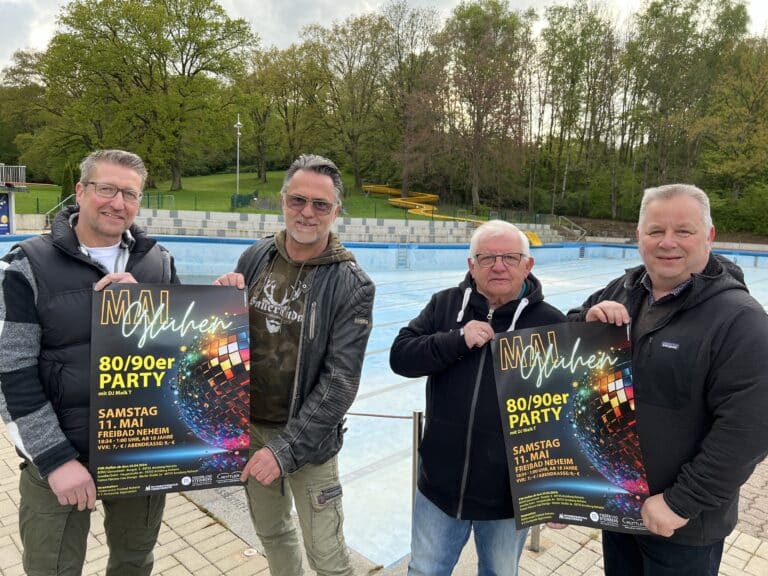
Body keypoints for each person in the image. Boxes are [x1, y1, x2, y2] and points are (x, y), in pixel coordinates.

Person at [567, 184, 768, 576]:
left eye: (683, 231)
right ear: (639, 236)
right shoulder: (622, 291)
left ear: (708, 235)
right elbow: (567, 337)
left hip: (682, 526)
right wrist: (586, 323)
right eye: (656, 231)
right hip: (619, 509)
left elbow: (750, 429)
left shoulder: (741, 320)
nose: (667, 242)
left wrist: (680, 502)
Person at [0, 149, 178, 575]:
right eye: (106, 189)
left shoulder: (159, 262)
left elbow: (179, 357)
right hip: (60, 458)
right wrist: (55, 459)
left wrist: (147, 308)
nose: (118, 203)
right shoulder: (25, 264)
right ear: (79, 192)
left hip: (139, 451)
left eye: (130, 194)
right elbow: (10, 372)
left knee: (134, 563)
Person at [214, 154, 375, 576]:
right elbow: (227, 338)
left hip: (309, 442)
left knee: (327, 555)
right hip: (249, 429)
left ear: (336, 211)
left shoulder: (351, 284)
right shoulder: (256, 256)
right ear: (283, 200)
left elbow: (340, 382)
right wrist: (220, 300)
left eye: (320, 204)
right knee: (272, 533)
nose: (307, 212)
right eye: (298, 200)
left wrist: (285, 449)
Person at [389, 220, 566, 576]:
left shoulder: (550, 324)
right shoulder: (445, 305)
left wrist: (557, 495)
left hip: (507, 498)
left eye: (509, 257)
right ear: (472, 265)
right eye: (487, 258)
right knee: (424, 570)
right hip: (439, 486)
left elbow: (565, 416)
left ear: (527, 265)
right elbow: (400, 357)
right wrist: (456, 340)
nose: (498, 266)